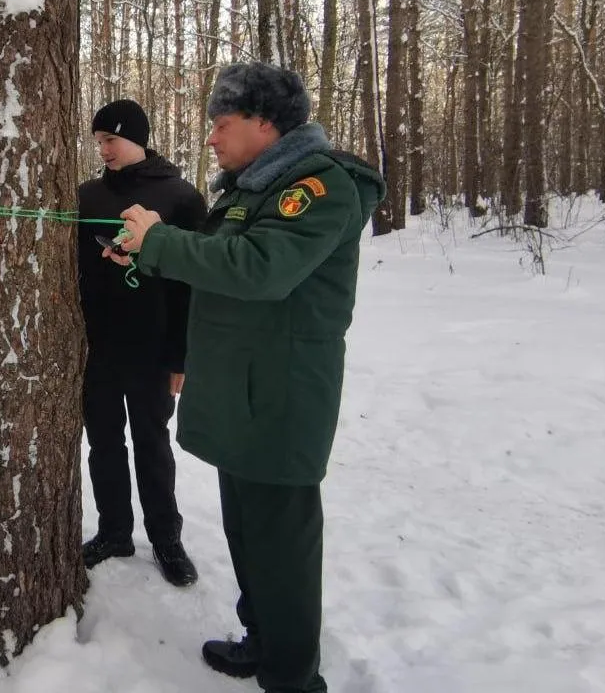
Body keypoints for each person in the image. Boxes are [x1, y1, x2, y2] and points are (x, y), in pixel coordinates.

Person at [107, 63, 385, 692]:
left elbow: (260, 268)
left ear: (266, 124)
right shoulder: (249, 189)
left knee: (281, 546)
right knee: (247, 533)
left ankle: (293, 678)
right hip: (243, 394)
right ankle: (264, 642)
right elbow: (215, 261)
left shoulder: (317, 186)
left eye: (222, 124)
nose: (211, 137)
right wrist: (145, 250)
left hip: (281, 398)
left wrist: (160, 242)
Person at [77, 99, 207, 587]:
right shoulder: (85, 197)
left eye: (110, 139)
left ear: (137, 137)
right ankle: (114, 530)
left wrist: (180, 356)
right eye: (98, 141)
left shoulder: (180, 198)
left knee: (152, 442)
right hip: (97, 347)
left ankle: (166, 539)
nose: (103, 149)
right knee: (104, 441)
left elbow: (193, 284)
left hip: (152, 347)